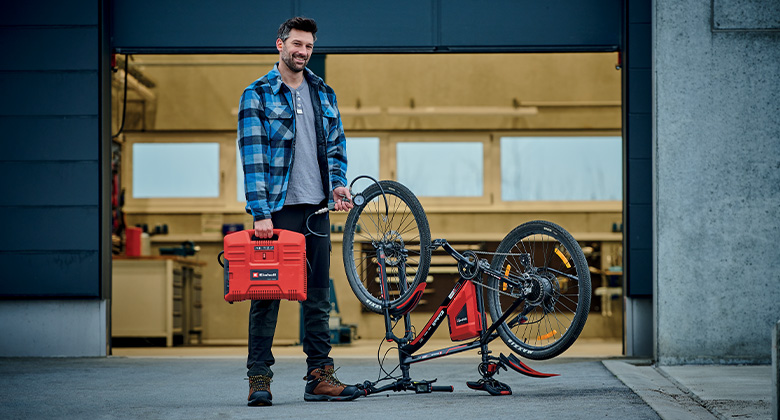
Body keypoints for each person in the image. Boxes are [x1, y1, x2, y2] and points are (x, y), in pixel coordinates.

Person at [237, 16, 359, 406]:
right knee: (266, 298)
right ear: (280, 45)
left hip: (317, 210)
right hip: (276, 212)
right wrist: (260, 212)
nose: (302, 52)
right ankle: (259, 379)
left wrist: (337, 183)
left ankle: (319, 377)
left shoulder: (323, 92)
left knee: (318, 296)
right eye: (296, 44)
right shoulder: (257, 94)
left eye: (308, 46)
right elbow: (253, 159)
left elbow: (336, 146)